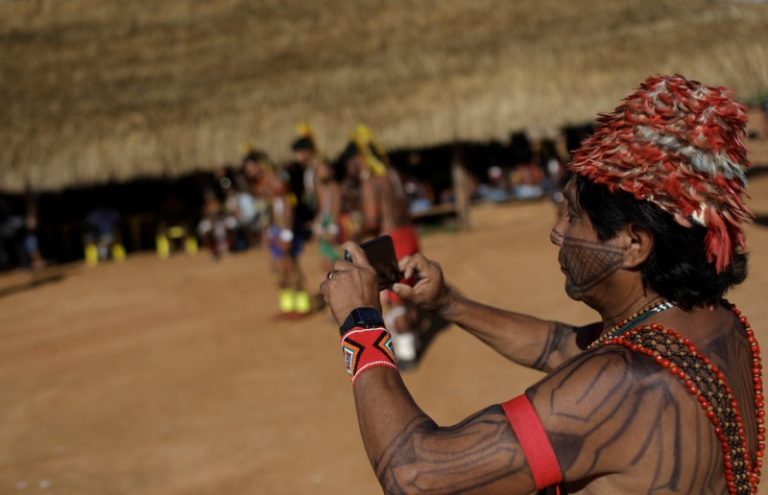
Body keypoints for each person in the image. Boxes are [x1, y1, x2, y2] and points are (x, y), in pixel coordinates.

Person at [320, 75, 762, 494]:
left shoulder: (622, 384)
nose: (557, 233)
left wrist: (361, 324)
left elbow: (414, 475)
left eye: (572, 216)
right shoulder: (711, 323)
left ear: (633, 243)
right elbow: (558, 347)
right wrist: (449, 302)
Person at [344, 125, 425, 367]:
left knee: (393, 294)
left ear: (358, 159)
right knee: (408, 287)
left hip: (391, 242)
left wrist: (354, 232)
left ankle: (407, 351)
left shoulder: (370, 182)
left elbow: (371, 220)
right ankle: (413, 338)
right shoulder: (392, 175)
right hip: (409, 235)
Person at [242, 150, 311, 317]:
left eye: (250, 167)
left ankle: (302, 305)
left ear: (259, 165)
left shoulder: (275, 180)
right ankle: (288, 305)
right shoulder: (262, 182)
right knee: (278, 268)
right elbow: (270, 208)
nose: (248, 172)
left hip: (284, 228)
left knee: (290, 265)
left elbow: (286, 204)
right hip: (275, 229)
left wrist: (286, 233)